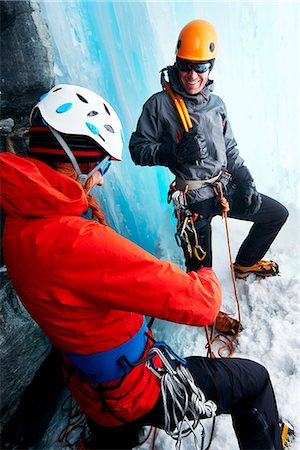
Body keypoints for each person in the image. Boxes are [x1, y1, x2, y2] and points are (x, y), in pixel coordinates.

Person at [0, 84, 284, 450]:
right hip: (130, 389)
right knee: (254, 381)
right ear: (76, 160)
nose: (101, 178)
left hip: (88, 382)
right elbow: (202, 305)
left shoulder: (19, 218)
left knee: (116, 429)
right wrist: (203, 269)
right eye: (100, 165)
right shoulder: (74, 240)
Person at [129, 19, 288, 282]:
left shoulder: (217, 105)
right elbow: (138, 150)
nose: (192, 75)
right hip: (193, 200)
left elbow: (230, 149)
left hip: (223, 187)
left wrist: (245, 179)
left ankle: (246, 263)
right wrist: (175, 152)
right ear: (176, 64)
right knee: (202, 277)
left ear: (210, 67)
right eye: (185, 66)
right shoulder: (159, 105)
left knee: (276, 215)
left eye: (200, 67)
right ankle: (207, 315)